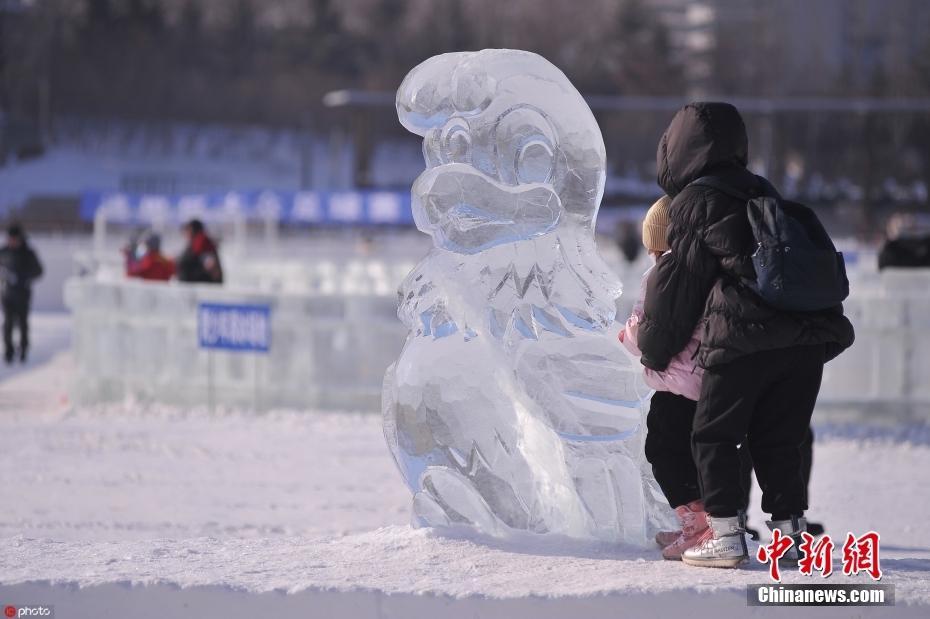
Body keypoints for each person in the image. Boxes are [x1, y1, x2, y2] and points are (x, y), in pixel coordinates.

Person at [638, 102, 854, 568]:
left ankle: (726, 537)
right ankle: (790, 537)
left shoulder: (696, 202)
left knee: (713, 435)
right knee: (781, 440)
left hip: (744, 339)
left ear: (677, 151)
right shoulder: (761, 190)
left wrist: (654, 351)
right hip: (805, 339)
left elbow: (680, 287)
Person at [618, 195, 707, 560]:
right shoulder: (702, 269)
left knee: (663, 450)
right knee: (696, 454)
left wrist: (627, 336)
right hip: (703, 380)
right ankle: (705, 522)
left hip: (677, 382)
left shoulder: (662, 275)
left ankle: (697, 524)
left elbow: (647, 328)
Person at [0, 223, 43, 364]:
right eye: (9, 239)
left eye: (14, 239)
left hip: (23, 295)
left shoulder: (28, 253)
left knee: (23, 324)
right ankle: (8, 351)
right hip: (7, 295)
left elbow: (39, 271)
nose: (12, 241)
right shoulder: (4, 251)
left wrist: (23, 278)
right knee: (8, 324)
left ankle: (23, 349)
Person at [176, 219, 223, 284]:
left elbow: (210, 266)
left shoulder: (202, 242)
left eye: (188, 230)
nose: (186, 233)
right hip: (201, 284)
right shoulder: (197, 242)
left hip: (205, 285)